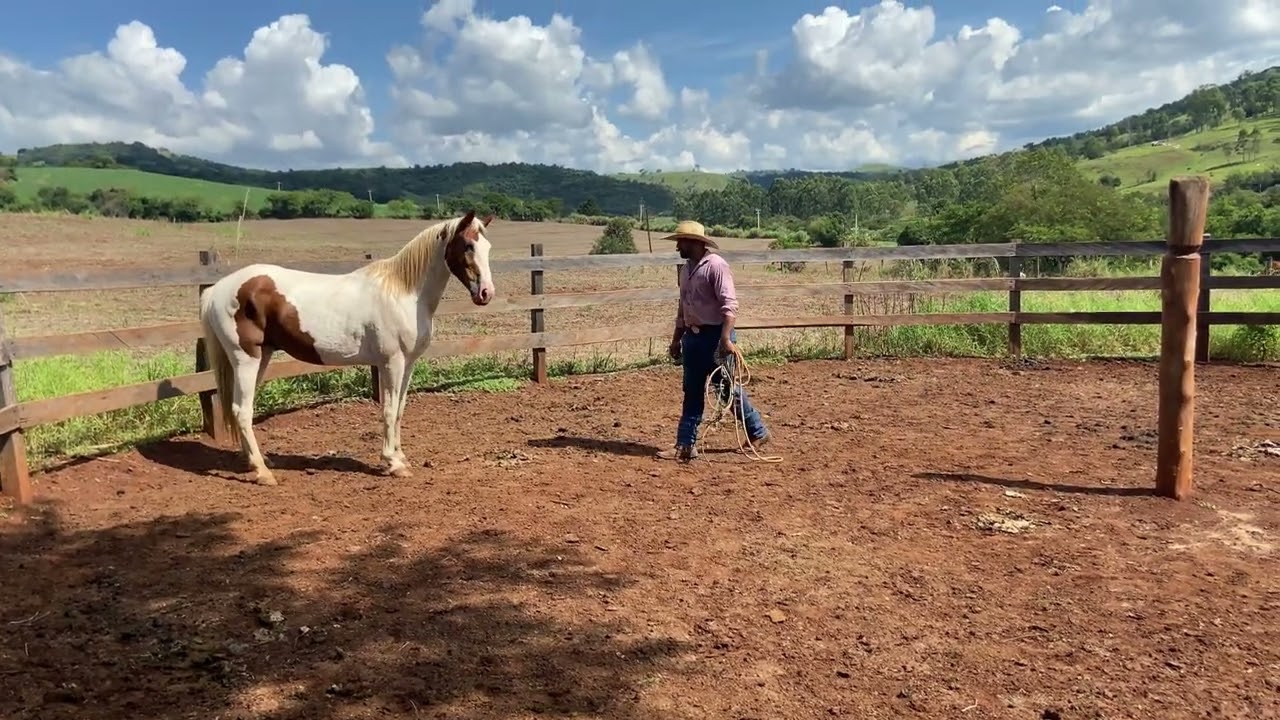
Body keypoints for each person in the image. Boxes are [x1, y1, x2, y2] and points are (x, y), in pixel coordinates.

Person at [656, 220, 771, 461]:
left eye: (681, 241)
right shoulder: (686, 270)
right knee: (692, 391)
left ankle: (757, 430)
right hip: (693, 338)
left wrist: (725, 339)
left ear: (694, 242)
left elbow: (729, 305)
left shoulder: (716, 266)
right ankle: (685, 444)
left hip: (715, 336)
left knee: (725, 389)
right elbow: (683, 307)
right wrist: (677, 339)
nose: (677, 246)